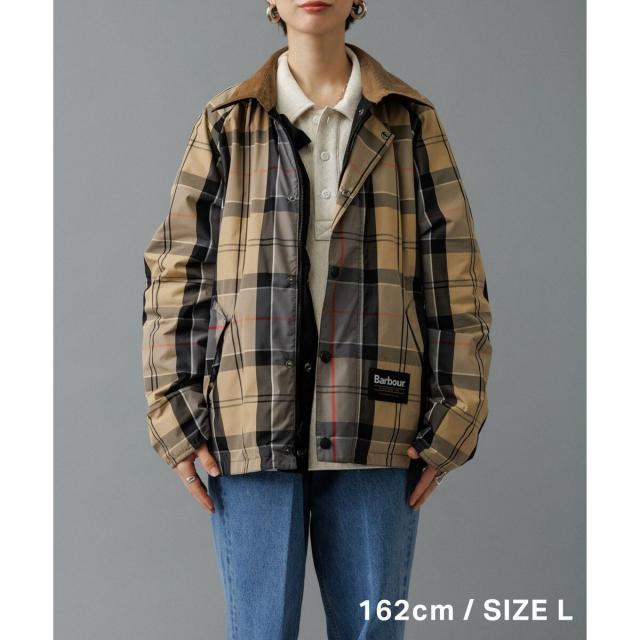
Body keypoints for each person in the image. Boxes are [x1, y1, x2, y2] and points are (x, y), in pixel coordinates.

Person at [141, 1, 493, 638]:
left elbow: (456, 276)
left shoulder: (410, 121)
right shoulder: (227, 122)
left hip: (377, 422)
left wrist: (456, 417)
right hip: (248, 424)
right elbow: (175, 274)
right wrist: (174, 413)